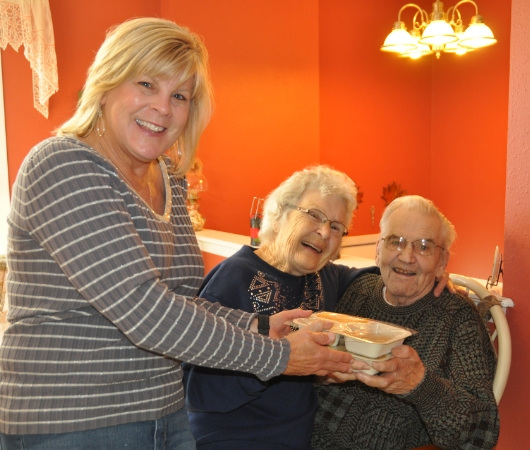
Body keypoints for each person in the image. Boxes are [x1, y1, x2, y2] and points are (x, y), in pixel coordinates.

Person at [0, 18, 357, 450]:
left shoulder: (168, 176)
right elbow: (143, 309)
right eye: (147, 84)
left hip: (166, 414)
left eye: (179, 95)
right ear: (107, 82)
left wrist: (261, 326)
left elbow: (184, 301)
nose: (163, 108)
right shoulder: (63, 164)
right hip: (73, 420)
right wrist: (279, 356)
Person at [183, 169, 450, 450]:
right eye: (313, 215)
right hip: (230, 440)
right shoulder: (233, 277)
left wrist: (435, 272)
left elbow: (385, 273)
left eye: (336, 226)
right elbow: (196, 391)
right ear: (279, 214)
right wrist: (276, 361)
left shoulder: (324, 277)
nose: (324, 232)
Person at [311, 195, 500, 450]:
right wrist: (319, 375)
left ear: (441, 262)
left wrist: (421, 386)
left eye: (424, 246)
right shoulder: (357, 291)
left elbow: (482, 434)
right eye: (395, 242)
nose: (407, 257)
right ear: (378, 250)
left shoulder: (457, 318)